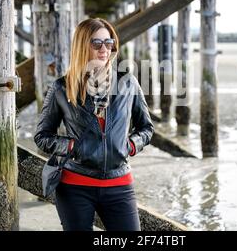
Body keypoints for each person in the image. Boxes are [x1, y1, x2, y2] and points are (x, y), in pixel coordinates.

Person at [34, 18, 154, 231]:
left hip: (119, 183)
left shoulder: (127, 83)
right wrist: (72, 147)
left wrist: (131, 145)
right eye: (96, 43)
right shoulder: (62, 88)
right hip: (74, 185)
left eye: (108, 43)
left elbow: (146, 127)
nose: (104, 49)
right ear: (82, 46)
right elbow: (42, 136)